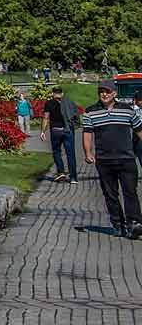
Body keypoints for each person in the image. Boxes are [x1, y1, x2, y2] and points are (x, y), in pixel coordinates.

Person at [82, 81, 142, 238]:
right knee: (110, 194)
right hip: (104, 160)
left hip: (126, 158)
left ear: (115, 93)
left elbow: (139, 130)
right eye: (101, 91)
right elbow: (87, 133)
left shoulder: (127, 110)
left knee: (130, 192)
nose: (104, 94)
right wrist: (88, 152)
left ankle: (134, 223)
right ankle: (118, 224)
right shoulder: (90, 112)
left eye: (107, 91)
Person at [44, 86, 79, 184]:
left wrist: (43, 131)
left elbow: (46, 118)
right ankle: (73, 177)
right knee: (70, 154)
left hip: (55, 130)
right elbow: (76, 115)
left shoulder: (49, 103)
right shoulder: (69, 103)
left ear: (53, 94)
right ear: (62, 93)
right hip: (68, 130)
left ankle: (61, 172)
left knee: (56, 151)